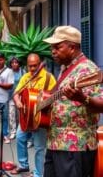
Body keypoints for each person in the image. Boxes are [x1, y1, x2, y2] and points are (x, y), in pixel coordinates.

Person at [43, 26, 103, 177]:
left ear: (72, 47)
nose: (53, 51)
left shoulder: (88, 70)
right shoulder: (65, 68)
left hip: (75, 146)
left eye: (57, 47)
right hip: (55, 142)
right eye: (52, 47)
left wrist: (82, 98)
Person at [11, 53, 56, 177]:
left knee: (39, 148)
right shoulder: (26, 77)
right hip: (26, 117)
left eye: (35, 66)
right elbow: (16, 93)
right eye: (30, 66)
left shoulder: (48, 78)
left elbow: (54, 98)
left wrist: (46, 103)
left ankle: (38, 174)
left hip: (40, 118)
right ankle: (23, 165)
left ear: (40, 63)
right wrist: (18, 102)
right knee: (20, 137)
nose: (32, 69)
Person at [8, 57, 25, 140]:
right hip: (11, 96)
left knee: (20, 114)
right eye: (13, 62)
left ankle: (20, 131)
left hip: (20, 96)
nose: (14, 64)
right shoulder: (9, 72)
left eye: (16, 62)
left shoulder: (23, 72)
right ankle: (13, 132)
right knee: (11, 114)